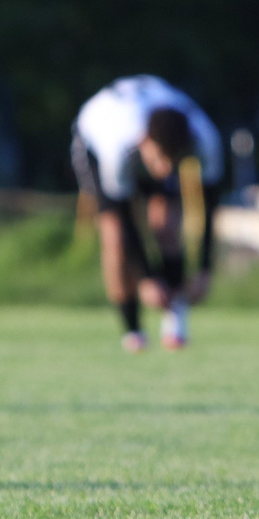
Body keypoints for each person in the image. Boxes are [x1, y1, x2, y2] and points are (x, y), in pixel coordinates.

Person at [70, 75, 225, 351]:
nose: (165, 170)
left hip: (150, 117)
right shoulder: (116, 146)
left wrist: (204, 268)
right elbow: (125, 215)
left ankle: (175, 319)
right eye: (159, 160)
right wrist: (146, 277)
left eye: (173, 161)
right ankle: (133, 331)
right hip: (94, 139)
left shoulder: (206, 138)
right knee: (114, 236)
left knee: (166, 223)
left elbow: (210, 205)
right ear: (144, 142)